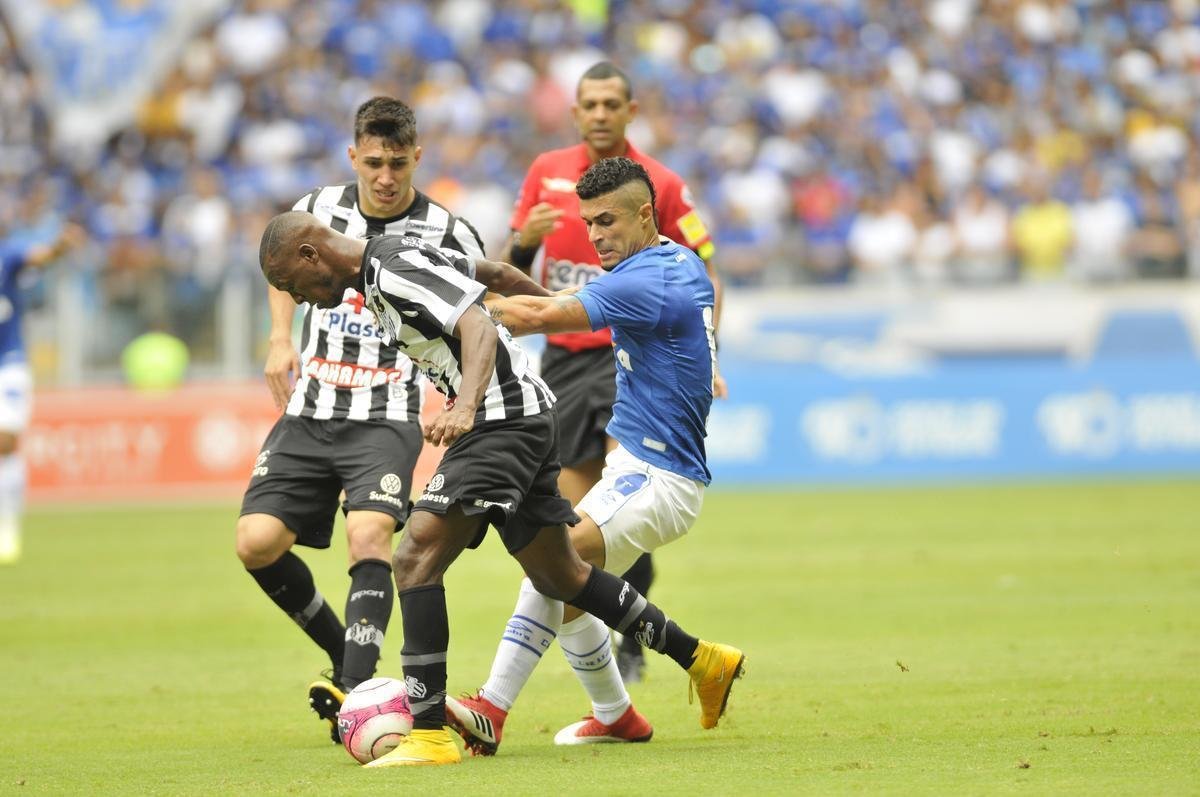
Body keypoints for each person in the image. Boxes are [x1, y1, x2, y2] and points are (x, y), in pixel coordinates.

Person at [257, 208, 744, 767]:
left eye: (293, 285)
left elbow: (479, 324)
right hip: (526, 413)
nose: (299, 301)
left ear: (310, 254)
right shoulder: (390, 264)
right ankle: (701, 658)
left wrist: (465, 404)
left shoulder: (390, 269)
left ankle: (432, 733)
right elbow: (499, 277)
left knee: (414, 557)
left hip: (499, 419)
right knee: (561, 575)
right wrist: (542, 315)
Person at [447, 157, 732, 756]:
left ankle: (491, 709)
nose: (595, 235)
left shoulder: (644, 281)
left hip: (661, 477)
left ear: (646, 214)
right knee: (566, 582)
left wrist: (440, 307)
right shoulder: (673, 261)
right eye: (588, 223)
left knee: (558, 562)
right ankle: (616, 713)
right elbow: (554, 299)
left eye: (607, 221)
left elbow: (540, 316)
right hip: (638, 467)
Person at [234, 96, 488, 745]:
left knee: (371, 533)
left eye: (396, 163)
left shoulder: (448, 231)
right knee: (256, 543)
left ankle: (355, 687)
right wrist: (279, 336)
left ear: (416, 159)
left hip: (388, 407)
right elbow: (278, 266)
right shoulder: (316, 210)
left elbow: (476, 313)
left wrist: (466, 399)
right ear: (353, 155)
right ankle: (349, 655)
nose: (383, 175)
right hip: (314, 403)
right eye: (372, 162)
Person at [500, 60, 725, 692]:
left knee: (610, 507)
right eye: (589, 104)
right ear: (575, 112)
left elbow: (706, 268)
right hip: (570, 354)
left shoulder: (663, 186)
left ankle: (629, 643)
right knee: (576, 521)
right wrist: (521, 243)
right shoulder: (546, 172)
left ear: (630, 110)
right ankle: (620, 694)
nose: (599, 113)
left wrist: (708, 355)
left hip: (626, 346)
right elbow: (515, 261)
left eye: (610, 104)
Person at [0, 210, 85, 564]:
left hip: (8, 363)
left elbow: (41, 255)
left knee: (6, 439)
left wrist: (59, 247)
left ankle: (7, 527)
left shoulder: (8, 255)